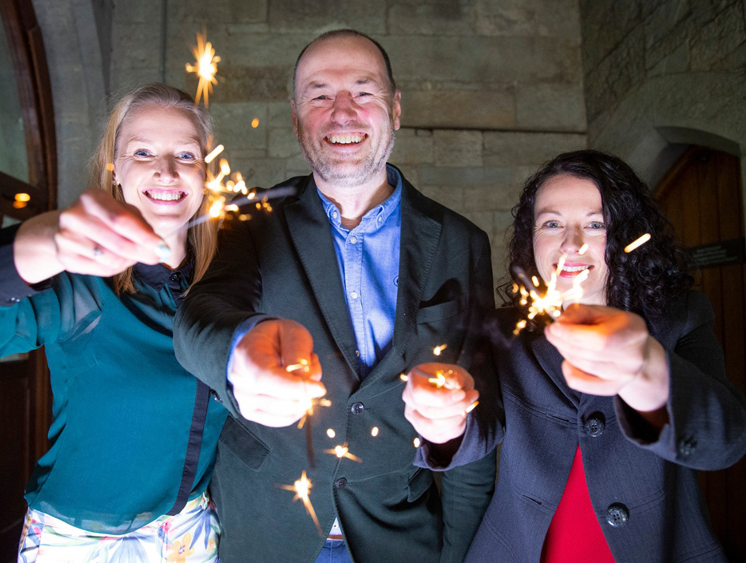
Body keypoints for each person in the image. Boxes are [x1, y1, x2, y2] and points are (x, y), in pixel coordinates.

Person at [173, 29, 501, 563]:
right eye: (319, 95)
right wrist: (238, 355)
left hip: (399, 540)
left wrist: (459, 555)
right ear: (296, 118)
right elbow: (199, 315)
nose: (342, 112)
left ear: (396, 109)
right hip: (264, 532)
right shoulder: (248, 220)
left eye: (363, 92)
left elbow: (476, 415)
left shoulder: (461, 242)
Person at [403, 149, 746, 561]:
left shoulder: (682, 317)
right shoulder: (504, 332)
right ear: (531, 237)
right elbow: (478, 428)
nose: (571, 244)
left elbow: (725, 442)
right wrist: (445, 419)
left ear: (627, 237)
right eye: (552, 223)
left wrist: (647, 370)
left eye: (596, 224)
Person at [0, 83, 229, 562]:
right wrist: (39, 245)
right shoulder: (81, 285)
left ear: (206, 172)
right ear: (115, 168)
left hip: (192, 535)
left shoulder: (227, 282)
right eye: (143, 152)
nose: (166, 171)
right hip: (81, 541)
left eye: (186, 154)